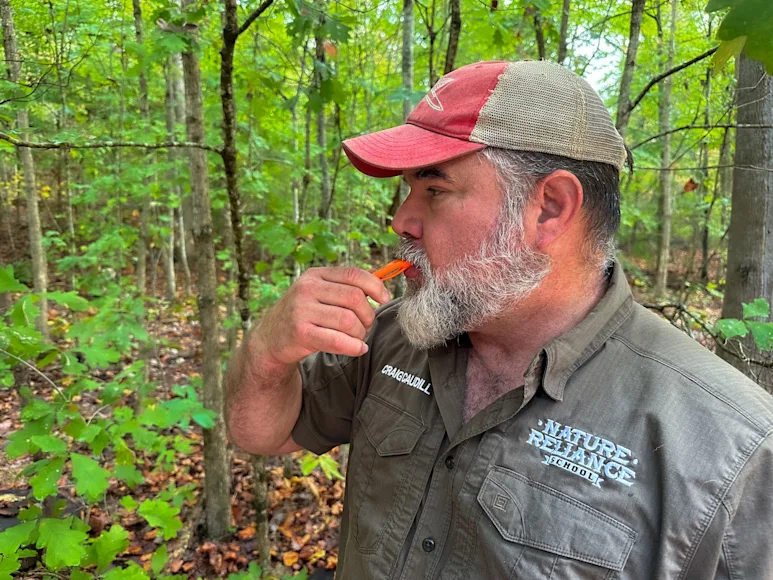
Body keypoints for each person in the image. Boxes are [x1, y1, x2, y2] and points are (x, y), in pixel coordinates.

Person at [224, 61, 773, 579]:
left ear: (550, 208)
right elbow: (263, 432)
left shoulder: (732, 451)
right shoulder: (394, 336)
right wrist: (265, 354)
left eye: (435, 190)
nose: (402, 221)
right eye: (407, 190)